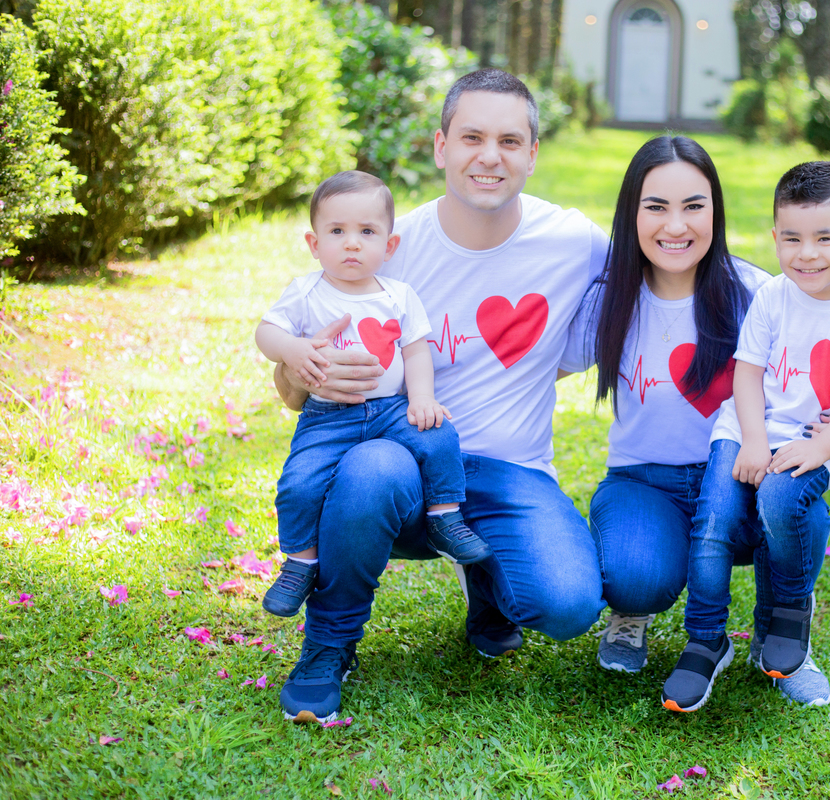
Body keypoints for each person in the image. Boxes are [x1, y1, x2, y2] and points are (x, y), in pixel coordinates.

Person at [269, 70, 610, 724]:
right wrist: (308, 373)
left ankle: (488, 586)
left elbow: (682, 268)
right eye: (472, 136)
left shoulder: (575, 241)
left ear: (534, 154)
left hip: (510, 472)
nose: (490, 155)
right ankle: (329, 643)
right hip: (397, 464)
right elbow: (290, 388)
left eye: (510, 140)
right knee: (370, 469)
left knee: (567, 605)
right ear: (440, 146)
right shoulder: (386, 246)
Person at [560, 138, 830, 709]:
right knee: (636, 573)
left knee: (798, 508)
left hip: (740, 474)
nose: (675, 225)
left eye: (694, 205)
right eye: (655, 206)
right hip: (644, 482)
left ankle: (780, 637)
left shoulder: (759, 293)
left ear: (717, 210)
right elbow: (525, 370)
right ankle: (633, 611)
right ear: (630, 211)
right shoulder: (608, 300)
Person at [660, 161, 830, 713]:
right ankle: (705, 640)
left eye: (824, 238)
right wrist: (750, 440)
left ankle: (788, 624)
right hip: (745, 429)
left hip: (820, 436)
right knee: (714, 518)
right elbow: (747, 372)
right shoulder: (772, 296)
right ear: (774, 237)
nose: (806, 253)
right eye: (791, 238)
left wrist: (820, 448)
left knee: (780, 498)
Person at [255, 171, 490, 620]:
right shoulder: (305, 292)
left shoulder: (398, 296)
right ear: (313, 243)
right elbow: (266, 332)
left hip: (390, 410)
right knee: (298, 481)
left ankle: (444, 517)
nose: (351, 243)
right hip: (327, 416)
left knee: (439, 434)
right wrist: (294, 350)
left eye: (367, 232)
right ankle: (300, 563)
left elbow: (416, 350)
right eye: (337, 231)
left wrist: (421, 397)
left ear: (390, 245)